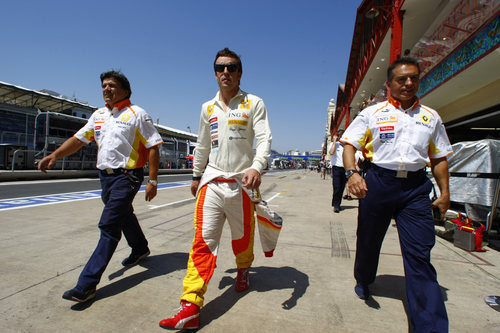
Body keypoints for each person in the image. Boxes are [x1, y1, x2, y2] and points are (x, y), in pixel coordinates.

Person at [159, 48, 272, 330]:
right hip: (212, 183)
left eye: (232, 67)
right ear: (215, 72)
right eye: (221, 68)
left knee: (242, 238)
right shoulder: (207, 107)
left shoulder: (254, 102)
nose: (226, 72)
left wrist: (256, 167)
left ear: (240, 72)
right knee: (203, 241)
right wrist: (196, 176)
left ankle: (244, 269)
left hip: (241, 185)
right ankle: (190, 305)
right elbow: (202, 145)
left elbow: (265, 137)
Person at [341, 57, 453, 333]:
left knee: (419, 254)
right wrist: (352, 173)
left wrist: (445, 193)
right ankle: (364, 278)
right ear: (389, 83)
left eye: (414, 78)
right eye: (402, 79)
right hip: (378, 183)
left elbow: (438, 158)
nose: (408, 83)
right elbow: (348, 145)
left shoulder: (431, 117)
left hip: (415, 189)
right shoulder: (372, 113)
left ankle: (430, 326)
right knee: (368, 239)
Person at [38, 70, 163, 303]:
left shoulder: (137, 114)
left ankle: (86, 285)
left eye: (112, 85)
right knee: (123, 214)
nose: (106, 89)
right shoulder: (98, 116)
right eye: (104, 85)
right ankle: (140, 248)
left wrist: (152, 181)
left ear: (125, 90)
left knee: (109, 225)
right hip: (105, 178)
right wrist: (55, 155)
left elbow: (154, 146)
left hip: (128, 176)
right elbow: (78, 139)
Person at [328, 129, 346, 213]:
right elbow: (331, 152)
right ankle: (336, 205)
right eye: (341, 136)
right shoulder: (333, 144)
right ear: (338, 137)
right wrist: (335, 142)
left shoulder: (347, 146)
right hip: (336, 168)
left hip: (345, 168)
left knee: (342, 187)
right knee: (337, 187)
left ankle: (338, 204)